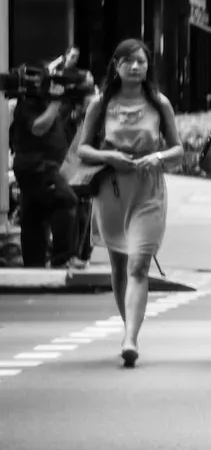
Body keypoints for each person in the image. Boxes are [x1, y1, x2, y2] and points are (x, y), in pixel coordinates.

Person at [76, 40, 182, 366]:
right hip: (111, 190)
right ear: (116, 66)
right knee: (119, 265)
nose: (135, 67)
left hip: (149, 191)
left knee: (139, 264)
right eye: (127, 61)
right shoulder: (101, 103)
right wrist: (109, 155)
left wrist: (158, 157)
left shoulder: (159, 103)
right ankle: (129, 326)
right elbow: (83, 150)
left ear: (148, 66)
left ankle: (130, 338)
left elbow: (178, 152)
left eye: (140, 61)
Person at [10, 76, 83, 269]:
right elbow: (38, 128)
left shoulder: (47, 104)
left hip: (41, 167)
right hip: (38, 167)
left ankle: (33, 264)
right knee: (66, 201)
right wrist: (55, 102)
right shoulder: (29, 104)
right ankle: (62, 258)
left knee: (35, 213)